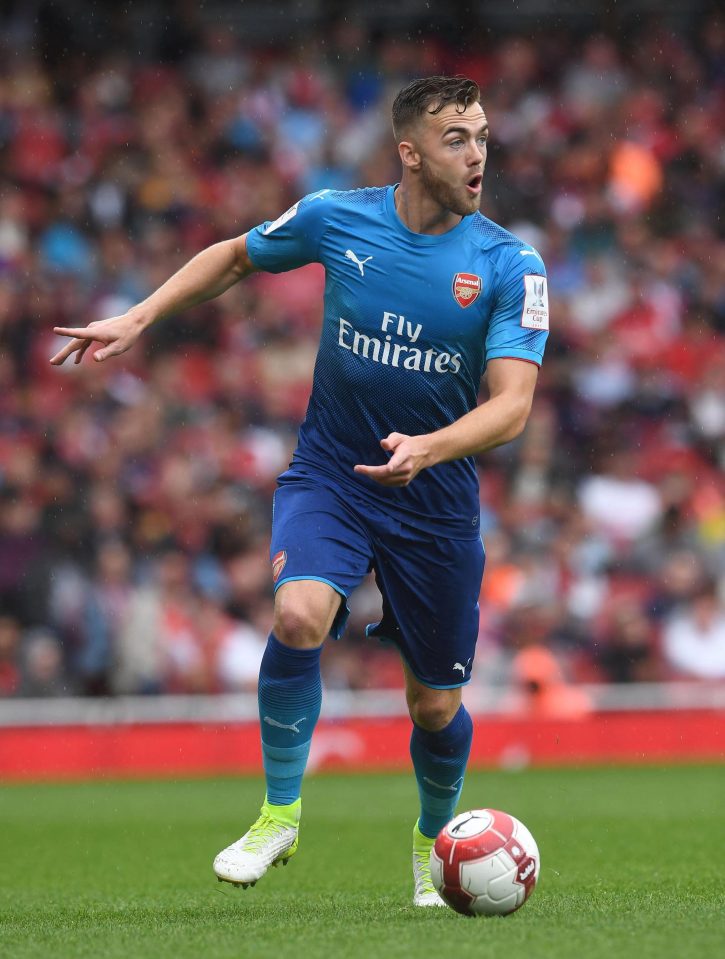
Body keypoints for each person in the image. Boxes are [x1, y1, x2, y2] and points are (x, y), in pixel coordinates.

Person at [50, 76, 549, 906]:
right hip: (333, 474)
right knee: (297, 614)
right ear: (410, 152)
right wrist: (140, 315)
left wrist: (428, 446)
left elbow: (512, 405)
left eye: (483, 136)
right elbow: (237, 255)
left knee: (433, 705)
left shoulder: (507, 262)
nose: (477, 154)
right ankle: (278, 812)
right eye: (457, 138)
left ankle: (433, 845)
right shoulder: (336, 217)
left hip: (434, 497)